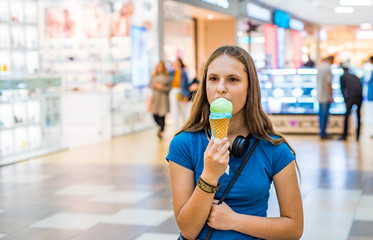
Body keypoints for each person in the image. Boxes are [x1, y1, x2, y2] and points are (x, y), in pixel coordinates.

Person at [166, 46, 303, 240]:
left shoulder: (274, 149)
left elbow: (294, 228)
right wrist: (210, 175)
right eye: (213, 79)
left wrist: (234, 220)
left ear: (250, 87)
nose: (221, 87)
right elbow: (188, 230)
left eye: (233, 79)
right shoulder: (184, 144)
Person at [338, 64, 363, 141]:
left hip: (351, 97)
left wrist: (345, 100)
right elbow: (360, 85)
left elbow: (342, 89)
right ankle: (358, 135)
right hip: (359, 96)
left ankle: (344, 135)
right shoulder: (354, 76)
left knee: (347, 115)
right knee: (358, 115)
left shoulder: (342, 77)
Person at [148, 61, 171, 139]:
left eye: (161, 66)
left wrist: (162, 87)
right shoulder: (154, 76)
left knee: (162, 115)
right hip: (155, 98)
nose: (159, 68)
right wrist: (155, 85)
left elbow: (169, 88)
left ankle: (161, 130)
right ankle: (159, 127)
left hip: (163, 98)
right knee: (154, 114)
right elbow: (150, 85)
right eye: (158, 66)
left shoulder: (167, 77)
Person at [169, 58, 190, 131]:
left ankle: (186, 127)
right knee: (174, 111)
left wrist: (186, 95)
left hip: (182, 92)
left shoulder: (184, 72)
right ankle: (176, 129)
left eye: (177, 62)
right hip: (173, 93)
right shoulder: (171, 73)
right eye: (175, 62)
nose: (176, 63)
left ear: (180, 63)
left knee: (184, 111)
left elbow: (186, 85)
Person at [316, 55, 334, 139]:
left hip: (319, 94)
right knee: (325, 115)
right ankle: (323, 133)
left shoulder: (319, 67)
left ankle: (321, 132)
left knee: (321, 115)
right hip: (325, 95)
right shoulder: (328, 68)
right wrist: (331, 96)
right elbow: (329, 83)